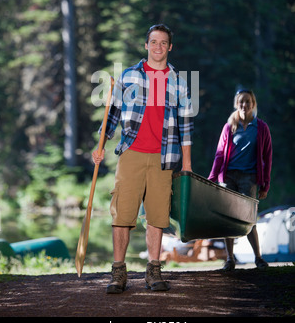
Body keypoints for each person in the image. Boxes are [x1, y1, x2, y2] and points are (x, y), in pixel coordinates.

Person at [92, 24, 194, 293]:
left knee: (158, 217)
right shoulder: (129, 77)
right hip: (131, 154)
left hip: (164, 157)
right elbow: (112, 113)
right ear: (146, 45)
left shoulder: (179, 83)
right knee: (123, 215)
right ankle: (118, 273)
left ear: (170, 47)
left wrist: (186, 164)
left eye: (163, 43)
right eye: (153, 42)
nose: (158, 47)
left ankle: (153, 271)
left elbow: (185, 126)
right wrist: (101, 145)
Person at [208, 88, 272, 271]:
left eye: (248, 101)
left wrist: (265, 184)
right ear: (237, 104)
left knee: (248, 218)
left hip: (250, 178)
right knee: (227, 218)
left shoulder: (261, 128)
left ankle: (258, 258)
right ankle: (230, 259)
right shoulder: (229, 126)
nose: (244, 105)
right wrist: (212, 177)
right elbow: (219, 154)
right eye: (241, 102)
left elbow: (267, 157)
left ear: (253, 104)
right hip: (228, 177)